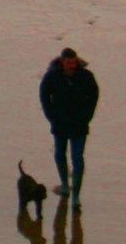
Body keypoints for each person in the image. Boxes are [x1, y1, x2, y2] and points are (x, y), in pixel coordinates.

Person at [39, 47, 99, 203]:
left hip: (80, 124)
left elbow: (93, 96)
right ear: (62, 62)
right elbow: (44, 96)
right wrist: (51, 117)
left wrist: (87, 117)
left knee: (77, 158)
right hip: (59, 123)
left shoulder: (86, 76)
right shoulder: (52, 76)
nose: (71, 65)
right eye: (68, 63)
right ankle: (65, 185)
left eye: (73, 62)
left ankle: (76, 196)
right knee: (60, 153)